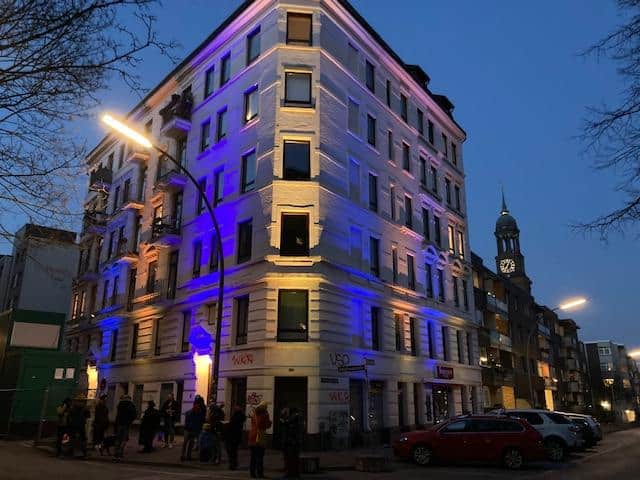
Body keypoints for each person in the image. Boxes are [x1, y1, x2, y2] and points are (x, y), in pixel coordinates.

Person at [248, 401, 271, 479]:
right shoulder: (264, 414)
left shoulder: (254, 412)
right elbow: (265, 425)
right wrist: (269, 422)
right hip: (259, 436)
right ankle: (260, 473)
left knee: (253, 457)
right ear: (265, 407)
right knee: (260, 457)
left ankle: (252, 473)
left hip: (252, 435)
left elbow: (254, 423)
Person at [280, 407, 303, 479]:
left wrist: (283, 418)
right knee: (293, 458)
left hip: (291, 442)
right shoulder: (297, 419)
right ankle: (294, 473)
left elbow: (286, 424)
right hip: (293, 442)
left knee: (290, 458)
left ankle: (290, 473)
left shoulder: (293, 420)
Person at [114, 395, 137, 459]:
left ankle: (116, 452)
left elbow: (117, 416)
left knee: (118, 439)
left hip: (119, 424)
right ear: (129, 399)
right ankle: (120, 453)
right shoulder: (131, 405)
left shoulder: (120, 405)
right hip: (126, 424)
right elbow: (134, 415)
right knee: (124, 439)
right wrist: (130, 421)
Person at [225, 405, 246, 470]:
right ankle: (234, 464)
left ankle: (232, 464)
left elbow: (232, 425)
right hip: (237, 436)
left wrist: (227, 425)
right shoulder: (241, 416)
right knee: (234, 451)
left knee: (231, 451)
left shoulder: (236, 417)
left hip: (232, 436)